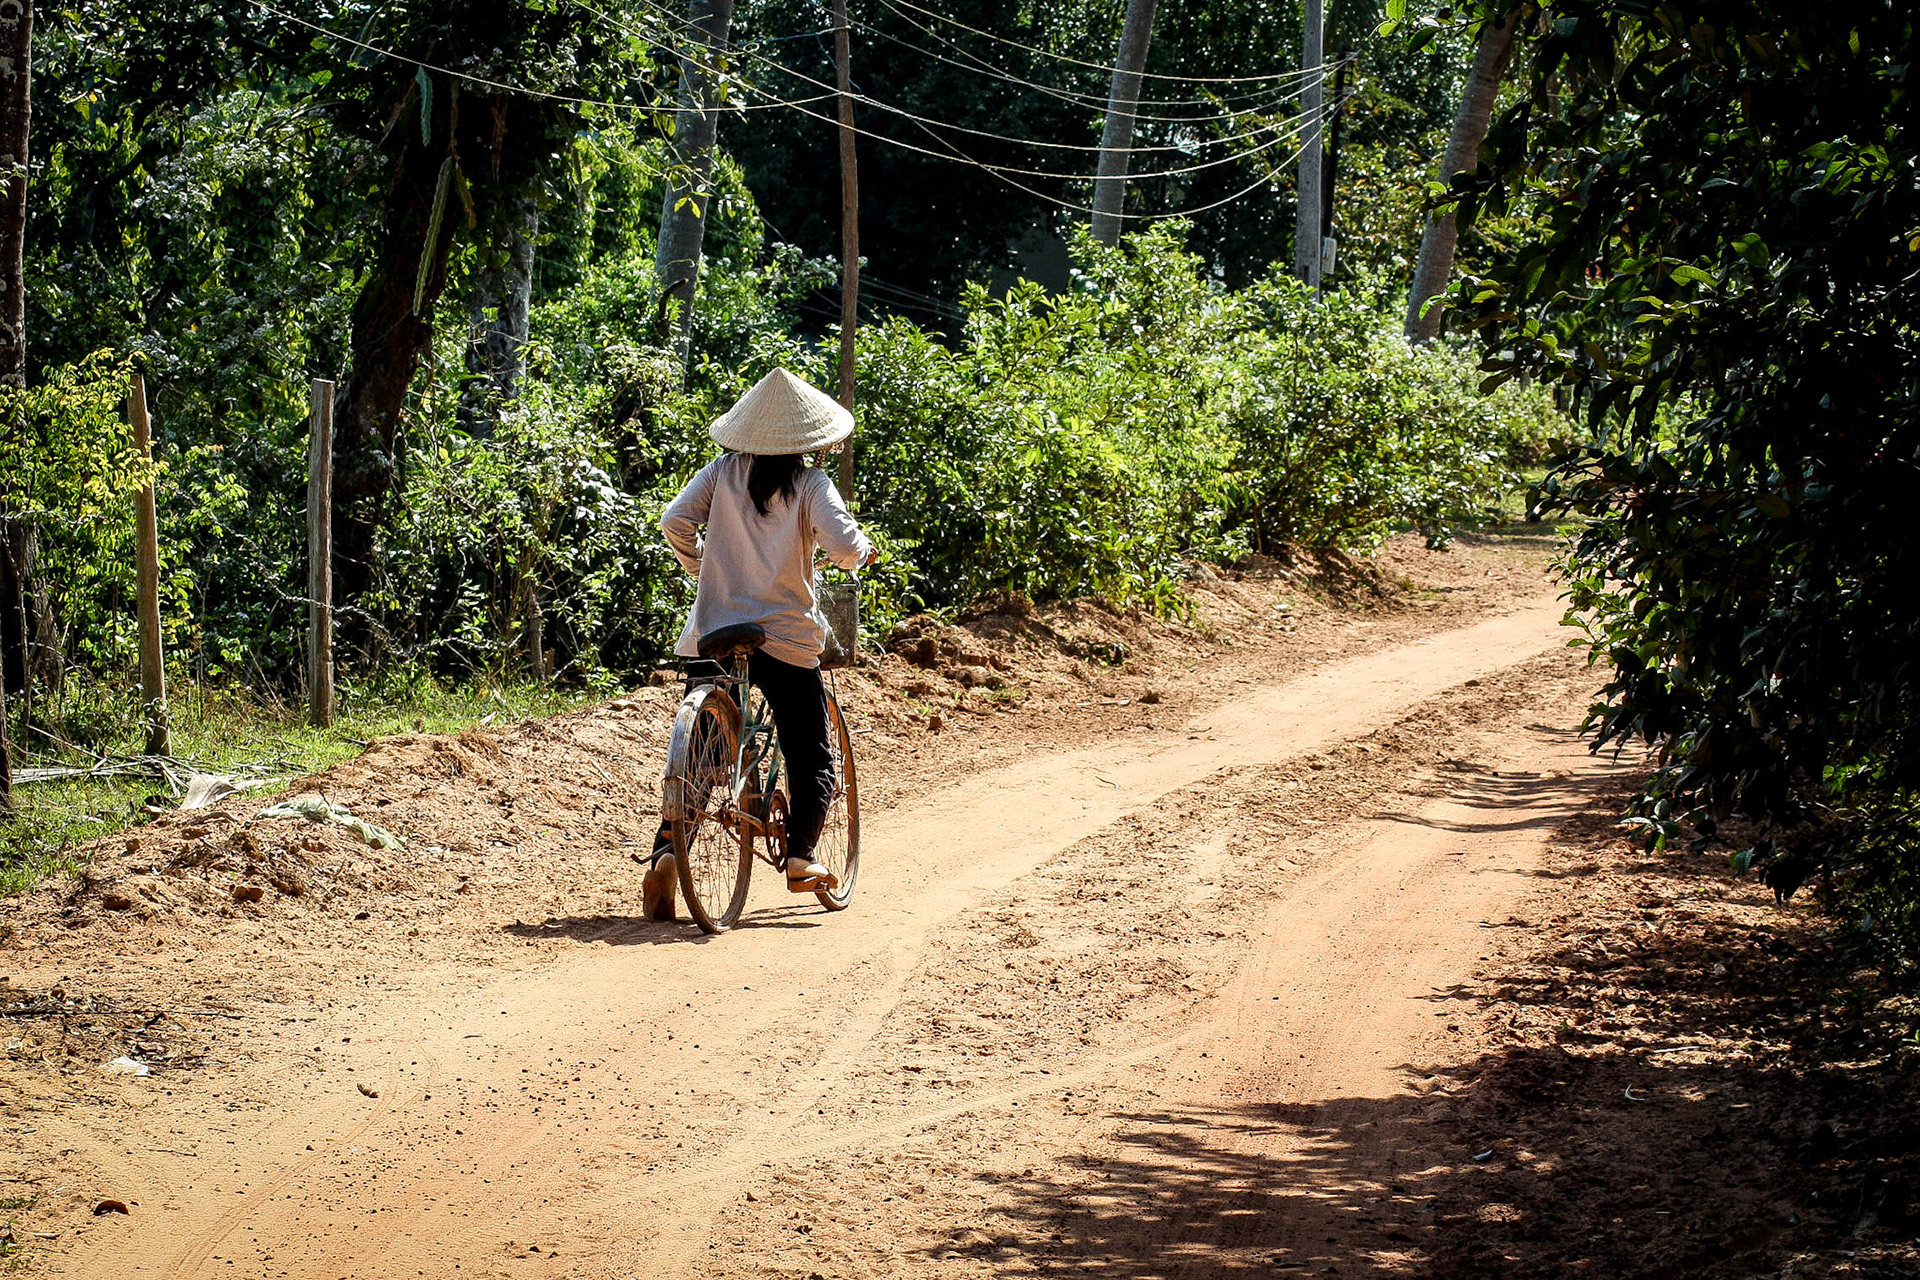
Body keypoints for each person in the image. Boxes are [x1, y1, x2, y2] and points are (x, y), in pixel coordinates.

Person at [643, 367, 875, 922]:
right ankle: (801, 855)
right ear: (807, 439)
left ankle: (668, 855)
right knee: (810, 751)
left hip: (715, 632)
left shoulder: (722, 471)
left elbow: (675, 520)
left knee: (705, 750)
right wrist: (861, 553)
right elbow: (843, 545)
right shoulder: (812, 484)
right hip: (785, 638)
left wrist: (701, 568)